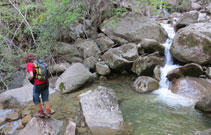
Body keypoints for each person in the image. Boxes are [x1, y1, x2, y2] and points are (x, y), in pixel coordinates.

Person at [23, 53, 51, 118]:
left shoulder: (29, 64)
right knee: (45, 96)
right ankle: (48, 111)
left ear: (26, 59)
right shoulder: (39, 62)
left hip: (38, 83)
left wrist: (29, 79)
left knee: (35, 98)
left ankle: (41, 112)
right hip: (46, 82)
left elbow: (31, 75)